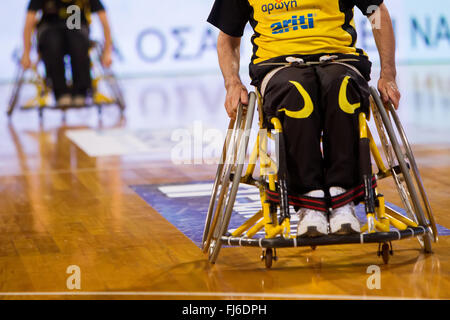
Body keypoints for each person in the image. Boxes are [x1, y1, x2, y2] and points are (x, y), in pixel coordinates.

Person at [207, 0, 401, 237]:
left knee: (342, 88)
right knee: (297, 93)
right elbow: (227, 37)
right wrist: (232, 83)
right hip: (277, 65)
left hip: (339, 59)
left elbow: (376, 12)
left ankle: (342, 199)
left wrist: (388, 73)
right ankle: (309, 201)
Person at [20, 0, 113, 107]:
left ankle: (81, 92)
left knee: (77, 40)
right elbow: (28, 23)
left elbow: (105, 23)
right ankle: (60, 92)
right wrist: (26, 54)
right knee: (53, 41)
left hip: (76, 26)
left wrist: (107, 52)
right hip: (50, 29)